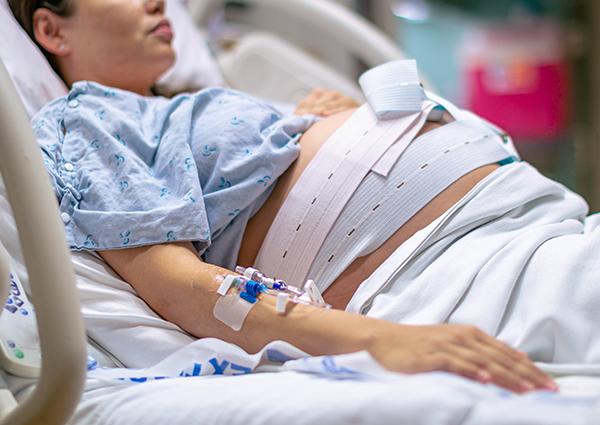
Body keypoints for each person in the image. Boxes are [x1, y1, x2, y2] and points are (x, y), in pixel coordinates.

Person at [9, 0, 558, 394]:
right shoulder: (87, 121)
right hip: (441, 266)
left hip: (512, 210)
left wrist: (321, 122)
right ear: (52, 30)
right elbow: (177, 286)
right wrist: (376, 340)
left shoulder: (190, 103)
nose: (158, 3)